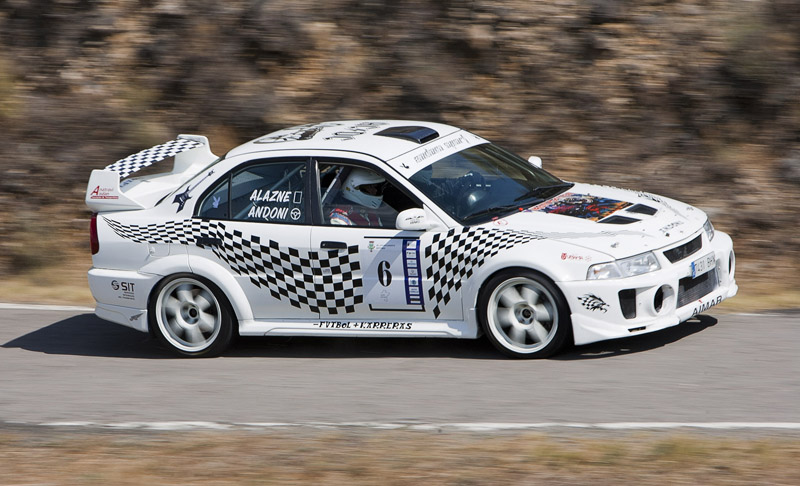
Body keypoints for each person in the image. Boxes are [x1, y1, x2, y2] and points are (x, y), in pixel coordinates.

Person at [328, 168, 395, 227]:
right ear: (353, 188)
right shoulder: (339, 220)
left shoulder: (370, 214)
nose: (375, 191)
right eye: (369, 187)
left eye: (376, 186)